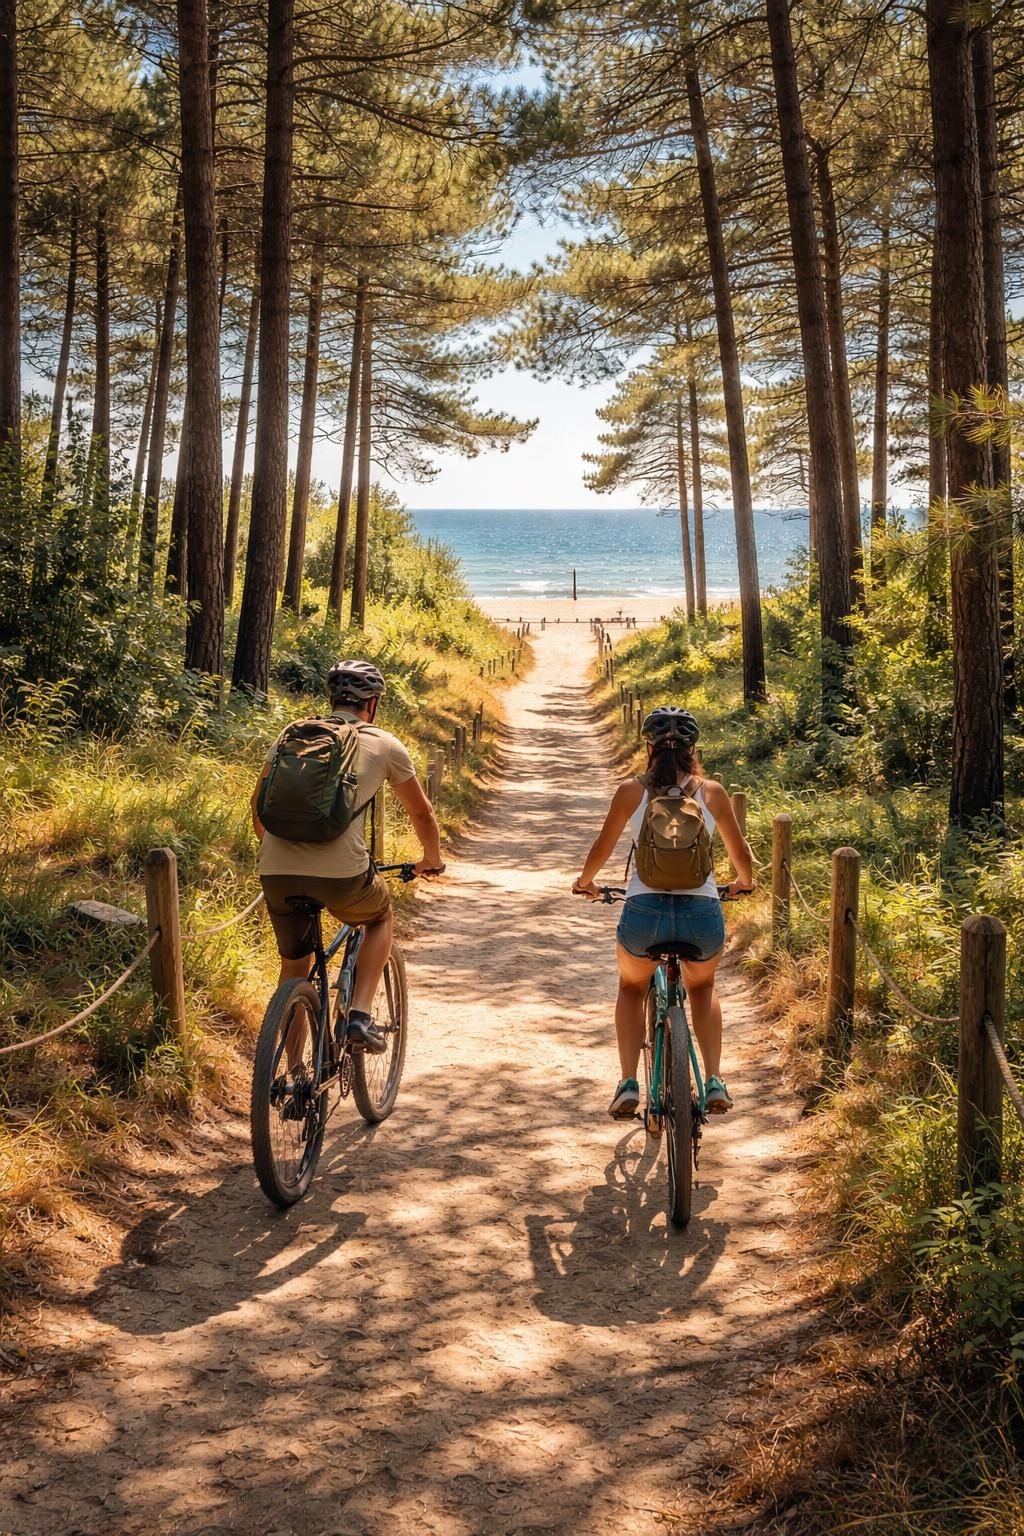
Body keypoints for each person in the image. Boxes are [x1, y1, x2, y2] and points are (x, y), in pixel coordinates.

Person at [251, 659, 445, 1054]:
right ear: (372, 703)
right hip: (343, 874)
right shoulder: (385, 744)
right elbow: (422, 813)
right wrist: (431, 858)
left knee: (294, 969)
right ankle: (359, 1014)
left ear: (332, 698)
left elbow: (258, 806)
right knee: (380, 917)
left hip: (275, 869)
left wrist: (284, 852)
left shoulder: (293, 734)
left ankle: (293, 1082)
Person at [572, 706, 754, 1120]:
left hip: (644, 914)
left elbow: (601, 849)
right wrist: (743, 883)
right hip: (702, 915)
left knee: (632, 988)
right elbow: (741, 854)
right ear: (694, 749)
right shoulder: (713, 792)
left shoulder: (630, 791)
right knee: (703, 989)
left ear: (648, 747)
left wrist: (586, 882)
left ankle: (628, 1083)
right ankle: (713, 1080)